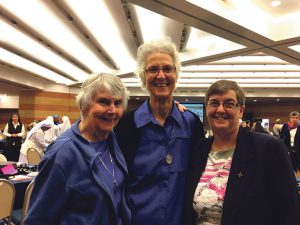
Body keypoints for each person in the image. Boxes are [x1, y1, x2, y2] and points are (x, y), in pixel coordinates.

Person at [182, 80, 299, 225]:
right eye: (214, 103)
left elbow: (289, 212)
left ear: (241, 110)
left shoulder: (269, 148)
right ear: (206, 108)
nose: (220, 110)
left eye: (229, 104)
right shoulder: (197, 150)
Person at [114, 37, 204, 225]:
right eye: (153, 69)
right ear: (143, 76)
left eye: (167, 69)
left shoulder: (192, 123)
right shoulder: (126, 125)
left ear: (176, 74)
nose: (161, 75)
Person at [24, 73, 131, 225]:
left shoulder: (111, 139)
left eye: (118, 103)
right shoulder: (62, 154)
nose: (113, 110)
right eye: (104, 102)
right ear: (85, 105)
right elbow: (37, 220)